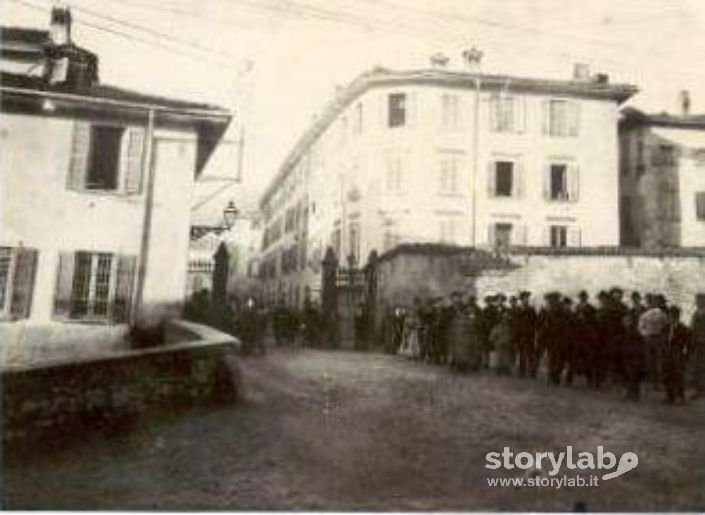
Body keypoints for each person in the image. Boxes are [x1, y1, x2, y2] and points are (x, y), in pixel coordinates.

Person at [638, 293, 669, 387]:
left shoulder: (664, 312)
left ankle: (658, 381)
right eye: (655, 302)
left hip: (659, 338)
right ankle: (653, 381)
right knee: (650, 360)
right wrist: (645, 334)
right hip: (649, 338)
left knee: (659, 361)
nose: (656, 303)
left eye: (658, 302)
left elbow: (666, 326)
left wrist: (663, 336)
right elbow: (641, 325)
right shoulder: (647, 313)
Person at [663, 306, 691, 404]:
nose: (668, 318)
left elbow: (688, 344)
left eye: (670, 316)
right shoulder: (666, 327)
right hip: (667, 353)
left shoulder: (684, 329)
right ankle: (670, 395)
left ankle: (680, 396)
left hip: (677, 354)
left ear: (675, 317)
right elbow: (664, 340)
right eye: (668, 315)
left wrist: (685, 355)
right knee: (667, 374)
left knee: (678, 376)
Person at [620, 312, 645, 401]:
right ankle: (631, 394)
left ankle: (634, 395)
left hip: (634, 357)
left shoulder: (634, 332)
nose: (623, 322)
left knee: (633, 376)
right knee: (630, 376)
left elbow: (638, 345)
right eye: (623, 321)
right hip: (628, 356)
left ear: (630, 321)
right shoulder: (626, 331)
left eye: (626, 321)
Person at [515, 291, 537, 378]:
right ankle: (522, 372)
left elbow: (535, 322)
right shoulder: (518, 310)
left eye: (527, 298)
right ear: (521, 300)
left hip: (530, 335)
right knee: (522, 355)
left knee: (531, 354)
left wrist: (533, 332)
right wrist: (516, 336)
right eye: (524, 298)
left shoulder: (531, 310)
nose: (526, 300)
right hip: (521, 336)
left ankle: (532, 372)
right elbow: (516, 324)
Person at [491, 310, 515, 375]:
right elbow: (492, 336)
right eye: (504, 318)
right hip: (499, 345)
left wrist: (510, 342)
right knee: (499, 358)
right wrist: (495, 343)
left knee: (507, 358)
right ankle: (498, 370)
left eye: (506, 318)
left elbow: (512, 336)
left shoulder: (510, 327)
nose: (505, 320)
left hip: (507, 345)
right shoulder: (497, 327)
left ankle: (506, 370)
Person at [690, 293, 705, 399]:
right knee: (697, 366)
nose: (697, 302)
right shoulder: (696, 313)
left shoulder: (700, 314)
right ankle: (699, 389)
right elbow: (692, 327)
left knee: (701, 366)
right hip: (697, 342)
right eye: (697, 300)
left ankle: (701, 389)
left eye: (700, 300)